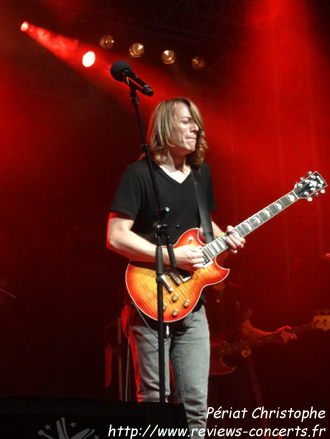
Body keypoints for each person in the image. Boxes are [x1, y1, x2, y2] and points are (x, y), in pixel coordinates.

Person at [106, 97, 246, 436]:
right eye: (187, 121)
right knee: (155, 403)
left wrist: (225, 237)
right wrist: (171, 256)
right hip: (150, 302)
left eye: (197, 122)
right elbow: (115, 237)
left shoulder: (201, 174)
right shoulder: (138, 174)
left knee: (197, 406)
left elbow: (203, 228)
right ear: (166, 126)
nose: (196, 128)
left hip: (193, 304)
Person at [205, 280, 296, 428]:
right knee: (208, 424)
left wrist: (273, 335)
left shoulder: (235, 291)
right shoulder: (194, 290)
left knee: (241, 422)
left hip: (231, 366)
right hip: (199, 369)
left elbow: (247, 330)